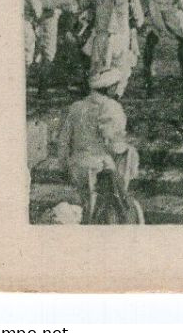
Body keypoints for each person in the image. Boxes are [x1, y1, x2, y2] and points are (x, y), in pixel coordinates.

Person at [55, 77, 140, 224]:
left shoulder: (76, 107)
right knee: (129, 154)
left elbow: (63, 140)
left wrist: (64, 166)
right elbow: (115, 145)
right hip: (100, 167)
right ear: (111, 88)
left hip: (76, 166)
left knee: (87, 200)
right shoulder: (112, 106)